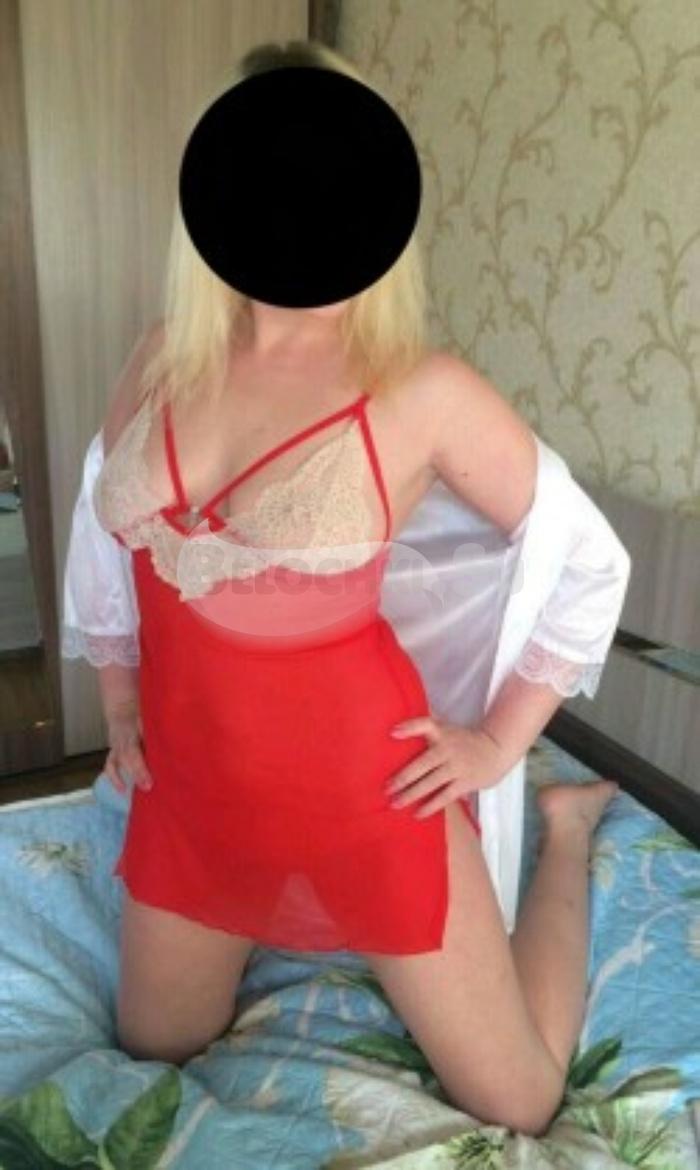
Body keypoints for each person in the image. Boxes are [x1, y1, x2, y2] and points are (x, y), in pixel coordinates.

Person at [61, 40, 628, 1138]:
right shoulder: (160, 356)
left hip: (368, 792)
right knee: (153, 1049)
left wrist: (499, 743)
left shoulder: (421, 389)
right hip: (194, 789)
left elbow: (587, 558)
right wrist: (120, 698)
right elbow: (104, 525)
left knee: (520, 1100)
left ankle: (566, 831)